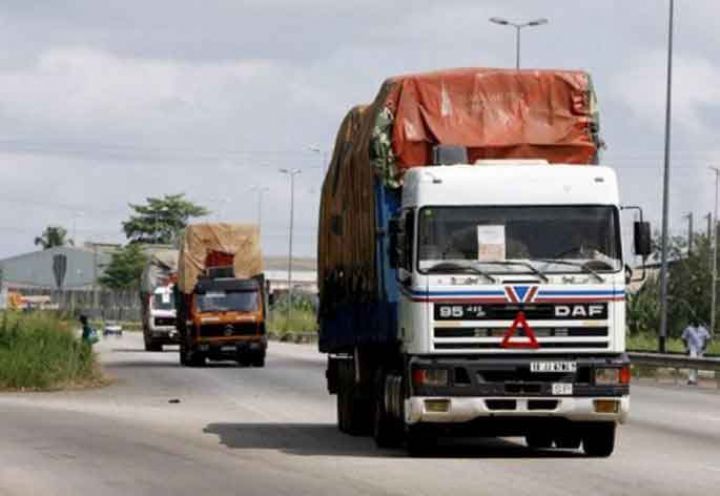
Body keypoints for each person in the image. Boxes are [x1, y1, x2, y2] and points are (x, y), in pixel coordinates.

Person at [681, 318, 711, 385]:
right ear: (692, 323)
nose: (696, 323)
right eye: (694, 322)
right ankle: (690, 379)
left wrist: (705, 347)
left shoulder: (703, 329)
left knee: (697, 365)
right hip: (692, 349)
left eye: (697, 322)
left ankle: (694, 380)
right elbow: (683, 338)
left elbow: (708, 338)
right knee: (692, 363)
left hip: (700, 350)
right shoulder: (689, 329)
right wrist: (686, 347)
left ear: (699, 323)